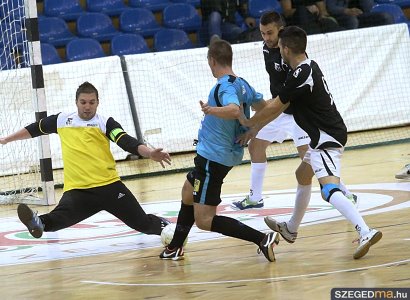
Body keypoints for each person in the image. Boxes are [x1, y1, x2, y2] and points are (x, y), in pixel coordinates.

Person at [237, 26, 382, 259]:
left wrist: (249, 123)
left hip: (326, 137)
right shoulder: (306, 68)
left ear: (285, 48)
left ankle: (365, 230)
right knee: (302, 175)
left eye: (280, 47)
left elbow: (276, 106)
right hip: (323, 136)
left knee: (329, 189)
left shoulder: (301, 74)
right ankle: (291, 228)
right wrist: (255, 126)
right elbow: (278, 107)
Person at [0, 82, 172, 240]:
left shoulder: (105, 123)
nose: (87, 107)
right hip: (78, 191)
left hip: (109, 187)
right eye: (83, 102)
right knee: (57, 219)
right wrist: (7, 139)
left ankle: (170, 230)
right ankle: (37, 222)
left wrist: (149, 153)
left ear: (98, 102)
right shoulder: (62, 120)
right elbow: (35, 128)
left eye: (92, 102)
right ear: (76, 102)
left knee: (143, 224)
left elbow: (126, 141)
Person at [158, 38, 280, 262]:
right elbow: (269, 110)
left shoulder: (225, 85)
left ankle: (262, 239)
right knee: (188, 191)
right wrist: (252, 129)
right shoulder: (243, 83)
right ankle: (175, 246)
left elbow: (233, 109)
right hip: (218, 155)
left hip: (213, 158)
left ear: (212, 61)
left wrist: (211, 110)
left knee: (204, 220)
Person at [231, 11, 356, 211]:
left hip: (294, 111)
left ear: (281, 31)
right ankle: (255, 198)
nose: (266, 38)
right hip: (278, 109)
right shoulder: (266, 48)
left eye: (270, 33)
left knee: (310, 160)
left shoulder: (291, 54)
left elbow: (286, 99)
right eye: (262, 33)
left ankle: (345, 195)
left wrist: (255, 121)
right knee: (256, 146)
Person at [280, 0, 345, 35]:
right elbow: (287, 12)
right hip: (297, 22)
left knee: (329, 22)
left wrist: (323, 15)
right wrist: (306, 9)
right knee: (302, 11)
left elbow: (323, 12)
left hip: (315, 20)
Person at [326, 0, 394, 30]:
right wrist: (346, 11)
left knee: (386, 17)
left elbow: (368, 8)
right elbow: (330, 8)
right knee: (352, 20)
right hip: (338, 17)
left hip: (358, 16)